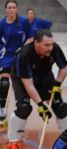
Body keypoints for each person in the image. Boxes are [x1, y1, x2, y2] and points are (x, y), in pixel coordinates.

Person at [6, 29, 67, 149]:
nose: (50, 48)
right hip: (22, 80)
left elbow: (64, 68)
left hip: (45, 77)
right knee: (24, 108)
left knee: (60, 107)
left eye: (51, 44)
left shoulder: (54, 49)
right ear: (36, 43)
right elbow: (29, 85)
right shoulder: (24, 55)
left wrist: (57, 84)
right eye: (46, 45)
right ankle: (13, 145)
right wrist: (41, 105)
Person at [0, 0, 31, 130]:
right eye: (9, 7)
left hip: (20, 56)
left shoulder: (23, 22)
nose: (12, 10)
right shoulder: (1, 24)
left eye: (14, 7)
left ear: (17, 9)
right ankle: (2, 111)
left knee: (21, 85)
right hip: (5, 57)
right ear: (6, 9)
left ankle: (20, 115)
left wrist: (23, 49)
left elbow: (30, 38)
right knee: (4, 84)